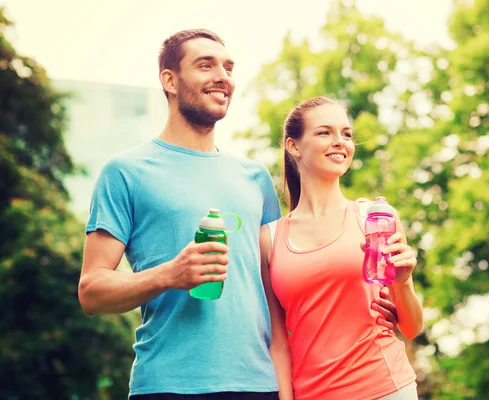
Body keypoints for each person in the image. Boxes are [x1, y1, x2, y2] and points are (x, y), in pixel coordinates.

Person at [78, 29, 397, 400]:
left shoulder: (255, 178)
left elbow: (282, 291)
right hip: (167, 385)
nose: (222, 76)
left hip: (259, 385)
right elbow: (92, 292)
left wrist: (376, 304)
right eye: (205, 65)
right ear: (169, 80)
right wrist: (170, 274)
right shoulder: (126, 172)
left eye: (228, 67)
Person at [259, 97, 423, 400]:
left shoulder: (375, 218)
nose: (340, 142)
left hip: (386, 388)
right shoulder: (269, 238)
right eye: (325, 133)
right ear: (293, 146)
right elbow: (279, 343)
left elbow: (412, 327)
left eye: (346, 134)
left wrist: (403, 281)